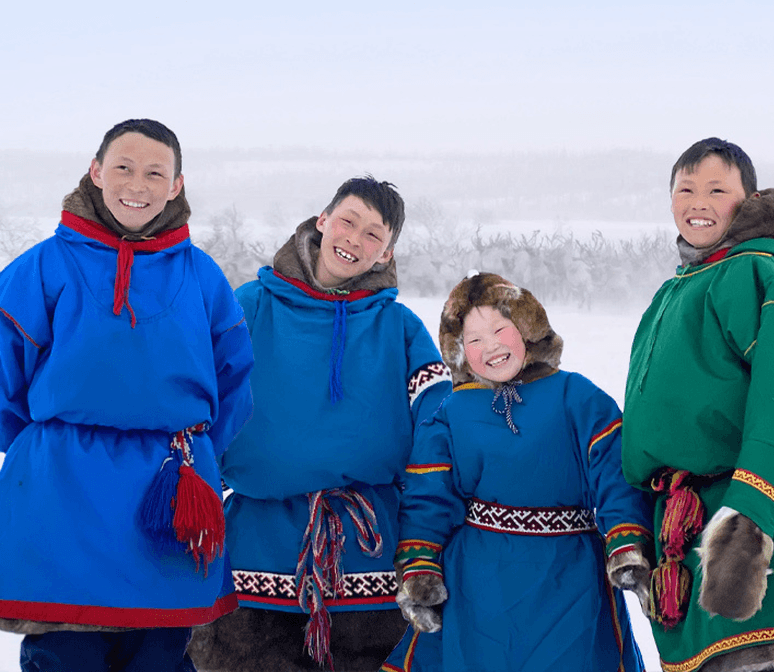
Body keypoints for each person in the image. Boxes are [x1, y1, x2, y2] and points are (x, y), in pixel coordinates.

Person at [0, 118, 254, 671]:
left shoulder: (202, 275)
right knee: (66, 657)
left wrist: (197, 455)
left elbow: (234, 384)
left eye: (155, 172)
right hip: (61, 498)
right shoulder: (44, 266)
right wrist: (56, 446)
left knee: (160, 659)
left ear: (176, 186)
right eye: (123, 167)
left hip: (167, 498)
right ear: (95, 172)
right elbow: (4, 378)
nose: (137, 184)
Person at [187, 177, 452, 671]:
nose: (354, 239)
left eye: (374, 234)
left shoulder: (401, 328)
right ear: (322, 221)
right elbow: (194, 397)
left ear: (387, 254)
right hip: (255, 556)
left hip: (372, 561)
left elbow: (441, 430)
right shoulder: (248, 306)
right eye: (348, 221)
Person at [621, 138, 774, 672]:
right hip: (686, 533)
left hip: (768, 535)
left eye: (717, 190)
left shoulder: (757, 272)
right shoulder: (672, 292)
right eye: (685, 189)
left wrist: (748, 520)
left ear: (747, 200)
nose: (698, 202)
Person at [385, 272, 652, 672]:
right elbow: (428, 496)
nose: (490, 346)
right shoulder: (452, 412)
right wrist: (420, 566)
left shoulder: (576, 396)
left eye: (499, 329)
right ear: (459, 351)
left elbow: (614, 471)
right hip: (478, 582)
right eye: (473, 340)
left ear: (527, 329)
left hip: (569, 576)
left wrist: (625, 540)